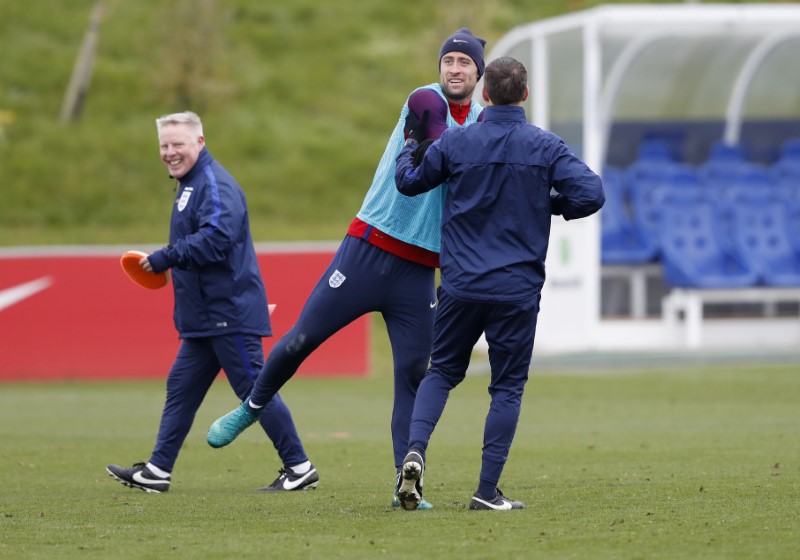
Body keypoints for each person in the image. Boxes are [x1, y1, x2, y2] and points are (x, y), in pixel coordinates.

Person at [206, 29, 488, 509]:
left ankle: (408, 482)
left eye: (465, 62)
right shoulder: (424, 100)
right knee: (301, 339)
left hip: (419, 270)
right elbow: (441, 148)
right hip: (367, 250)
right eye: (450, 61)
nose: (455, 69)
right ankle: (250, 408)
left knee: (414, 375)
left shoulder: (483, 122)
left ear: (479, 74)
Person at [393, 57, 605, 511]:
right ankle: (486, 492)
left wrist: (409, 145)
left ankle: (414, 452)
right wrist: (546, 204)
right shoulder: (545, 147)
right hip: (515, 290)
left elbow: (408, 183)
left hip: (461, 285)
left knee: (443, 373)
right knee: (506, 388)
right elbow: (591, 193)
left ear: (484, 94)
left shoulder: (456, 141)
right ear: (524, 95)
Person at [107, 111, 318, 493]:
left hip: (228, 312)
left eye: (178, 144)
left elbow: (218, 237)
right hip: (205, 317)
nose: (170, 152)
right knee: (181, 388)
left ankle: (299, 466)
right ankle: (157, 470)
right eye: (165, 146)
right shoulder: (190, 184)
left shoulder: (213, 183)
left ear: (200, 143)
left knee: (255, 388)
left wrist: (165, 257)